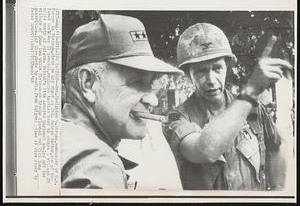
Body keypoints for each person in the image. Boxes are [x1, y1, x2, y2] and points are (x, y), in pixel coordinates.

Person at [61, 14, 183, 189]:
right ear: (88, 83)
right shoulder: (98, 166)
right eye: (137, 83)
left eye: (150, 84)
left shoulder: (62, 136)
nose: (153, 100)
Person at [164, 23, 291, 190]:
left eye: (217, 68)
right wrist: (251, 90)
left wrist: (278, 189)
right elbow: (205, 151)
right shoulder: (177, 118)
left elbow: (277, 145)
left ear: (228, 67)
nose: (211, 79)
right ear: (189, 75)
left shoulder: (252, 109)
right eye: (201, 71)